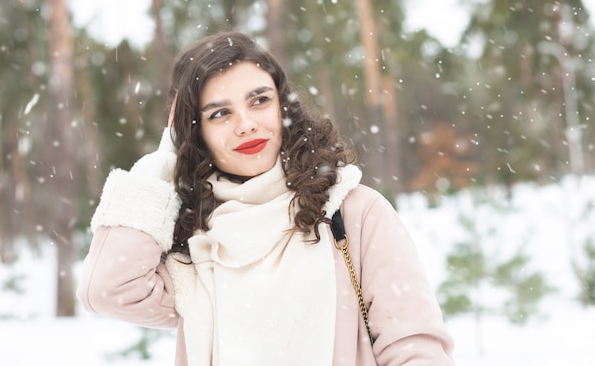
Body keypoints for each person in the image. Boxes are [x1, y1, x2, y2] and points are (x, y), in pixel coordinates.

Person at [76, 31, 455, 366]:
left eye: (259, 101)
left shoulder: (352, 212)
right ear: (197, 133)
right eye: (220, 113)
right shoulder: (194, 239)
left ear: (283, 106)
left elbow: (414, 348)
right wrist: (166, 159)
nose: (246, 123)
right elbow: (108, 290)